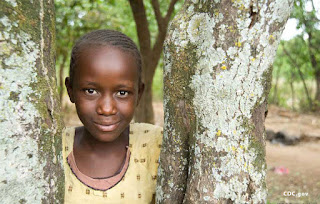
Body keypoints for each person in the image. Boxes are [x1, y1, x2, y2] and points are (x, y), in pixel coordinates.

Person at [63, 29, 163, 204]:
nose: (107, 109)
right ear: (70, 90)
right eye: (90, 91)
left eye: (122, 92)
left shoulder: (154, 145)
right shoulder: (54, 147)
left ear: (139, 94)